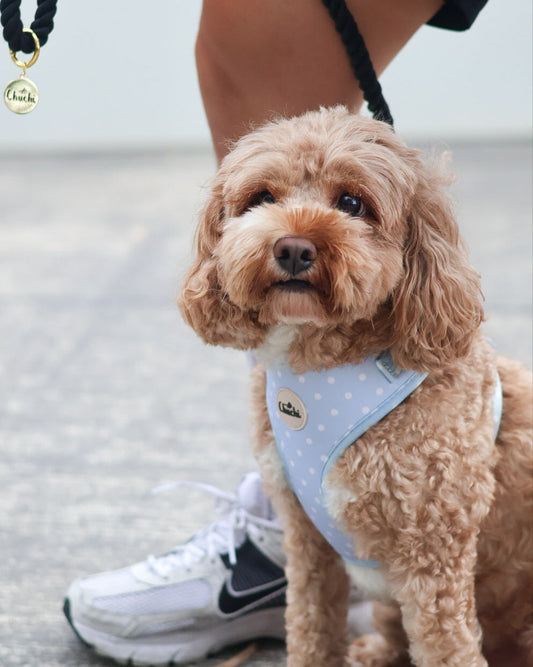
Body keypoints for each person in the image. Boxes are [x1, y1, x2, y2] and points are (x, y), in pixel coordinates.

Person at [63, 2, 493, 665]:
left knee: (249, 52)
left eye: (350, 205)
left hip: (489, 603)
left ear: (409, 241)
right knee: (233, 59)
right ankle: (281, 556)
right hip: (371, 579)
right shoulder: (276, 387)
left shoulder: (425, 398)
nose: (294, 238)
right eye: (262, 200)